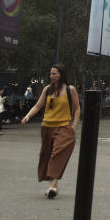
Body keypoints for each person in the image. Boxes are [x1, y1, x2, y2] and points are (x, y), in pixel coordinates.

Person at [22, 64, 80, 199]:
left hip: (64, 127)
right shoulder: (47, 89)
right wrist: (28, 116)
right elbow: (38, 105)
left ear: (61, 74)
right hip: (47, 126)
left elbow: (77, 108)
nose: (52, 76)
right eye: (51, 74)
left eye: (55, 73)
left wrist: (74, 125)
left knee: (57, 154)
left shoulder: (70, 90)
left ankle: (51, 187)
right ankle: (54, 184)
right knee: (47, 155)